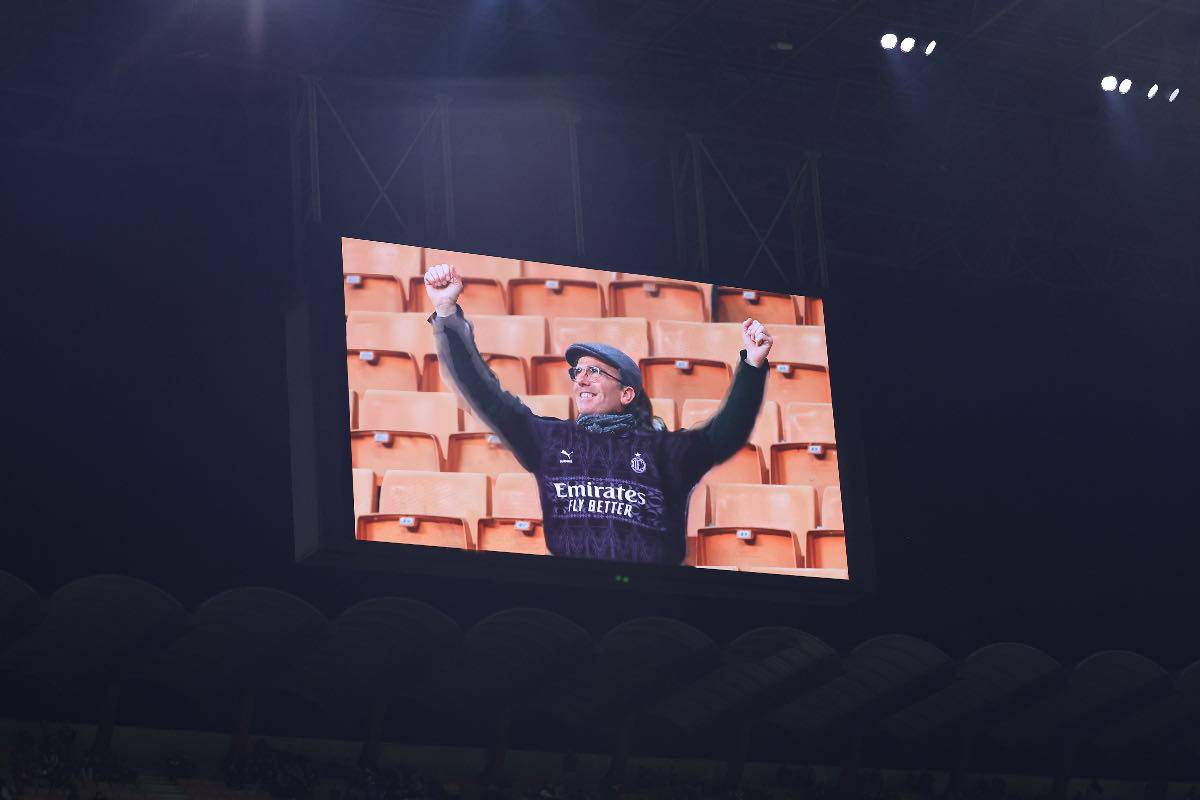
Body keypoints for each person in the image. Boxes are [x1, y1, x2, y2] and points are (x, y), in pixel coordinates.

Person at [424, 263, 773, 566]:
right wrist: (447, 314)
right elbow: (484, 393)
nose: (581, 379)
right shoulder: (550, 440)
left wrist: (753, 365)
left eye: (595, 372)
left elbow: (724, 435)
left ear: (626, 394)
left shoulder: (663, 450)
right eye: (577, 372)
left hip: (651, 603)